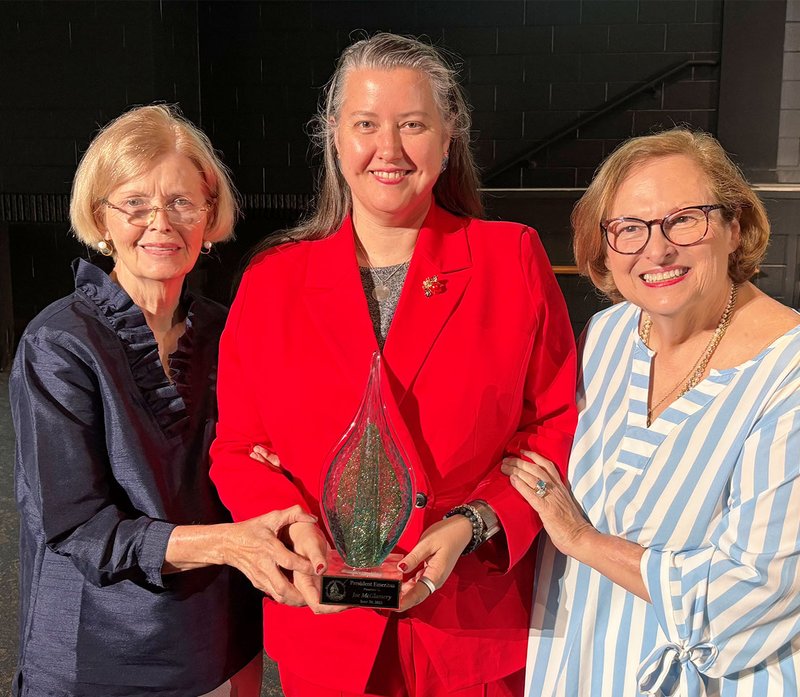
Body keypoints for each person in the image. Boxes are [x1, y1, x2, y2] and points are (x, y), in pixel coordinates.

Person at [209, 33, 577, 697]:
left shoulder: (510, 259)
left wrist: (476, 522)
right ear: (333, 136)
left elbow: (553, 421)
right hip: (328, 624)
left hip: (468, 622)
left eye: (413, 125)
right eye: (365, 124)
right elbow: (236, 449)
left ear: (447, 136)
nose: (389, 149)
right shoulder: (272, 281)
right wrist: (292, 522)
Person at [10, 104, 321, 697]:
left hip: (222, 641)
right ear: (101, 217)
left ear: (209, 217)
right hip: (102, 655)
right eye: (135, 203)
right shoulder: (58, 344)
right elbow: (78, 528)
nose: (161, 223)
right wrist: (231, 543)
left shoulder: (230, 330)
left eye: (182, 202)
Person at [502, 129, 800, 696]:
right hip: (578, 665)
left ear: (735, 227)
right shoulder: (606, 337)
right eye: (629, 229)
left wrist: (581, 539)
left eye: (685, 219)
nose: (656, 249)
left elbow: (755, 590)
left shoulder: (788, 372)